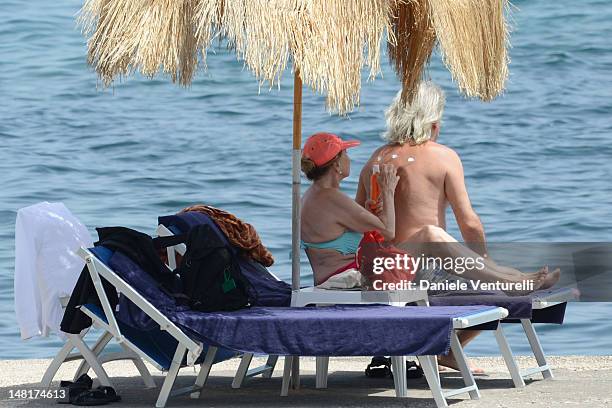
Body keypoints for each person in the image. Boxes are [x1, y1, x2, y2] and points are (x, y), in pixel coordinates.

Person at [355, 81, 560, 373]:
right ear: (434, 123)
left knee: (478, 267)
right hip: (419, 276)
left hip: (377, 272)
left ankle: (503, 290)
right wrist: (482, 259)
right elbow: (469, 222)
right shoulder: (443, 157)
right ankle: (503, 292)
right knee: (478, 271)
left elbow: (359, 220)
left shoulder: (374, 159)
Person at [300, 132, 399, 286]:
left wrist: (368, 215)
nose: (349, 158)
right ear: (336, 165)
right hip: (345, 278)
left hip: (327, 278)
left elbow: (336, 225)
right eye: (345, 153)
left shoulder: (313, 195)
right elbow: (389, 231)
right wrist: (388, 190)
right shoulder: (331, 198)